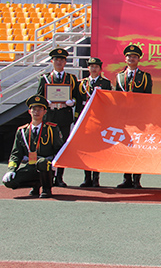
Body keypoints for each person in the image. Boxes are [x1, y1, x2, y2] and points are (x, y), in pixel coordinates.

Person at [2, 95, 63, 198]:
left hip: (46, 167)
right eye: (34, 109)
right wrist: (11, 170)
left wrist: (56, 165)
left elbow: (59, 149)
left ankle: (46, 188)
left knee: (42, 162)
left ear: (45, 112)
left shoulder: (52, 129)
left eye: (40, 109)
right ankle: (35, 185)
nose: (36, 112)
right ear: (29, 111)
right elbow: (16, 154)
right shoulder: (22, 131)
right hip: (30, 165)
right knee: (9, 182)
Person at [36, 47, 77, 188]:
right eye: (56, 60)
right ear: (52, 61)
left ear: (65, 62)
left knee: (62, 147)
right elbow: (39, 97)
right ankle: (47, 177)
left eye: (62, 60)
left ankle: (59, 177)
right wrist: (45, 102)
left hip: (64, 116)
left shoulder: (71, 78)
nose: (59, 62)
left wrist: (72, 102)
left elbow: (77, 97)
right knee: (47, 147)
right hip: (49, 116)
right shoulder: (44, 78)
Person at [114, 45, 153, 189]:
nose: (132, 59)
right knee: (125, 148)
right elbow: (117, 97)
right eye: (129, 56)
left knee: (138, 148)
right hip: (124, 118)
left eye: (135, 57)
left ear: (138, 59)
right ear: (125, 59)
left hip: (139, 118)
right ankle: (126, 179)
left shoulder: (145, 76)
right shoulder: (119, 76)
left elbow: (148, 97)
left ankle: (137, 179)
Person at [76, 57, 112, 188]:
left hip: (99, 119)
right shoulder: (81, 83)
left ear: (100, 69)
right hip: (85, 119)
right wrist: (77, 118)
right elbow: (78, 101)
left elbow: (109, 102)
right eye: (91, 66)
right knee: (86, 149)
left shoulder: (106, 83)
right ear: (88, 68)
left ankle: (96, 178)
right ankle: (87, 178)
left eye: (96, 66)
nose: (94, 69)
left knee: (97, 149)